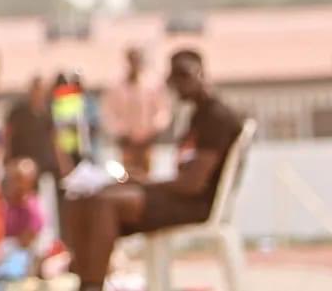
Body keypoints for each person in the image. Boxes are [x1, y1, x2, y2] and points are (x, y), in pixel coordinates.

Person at [63, 49, 244, 291]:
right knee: (87, 198)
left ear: (198, 75)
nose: (174, 87)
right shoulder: (198, 115)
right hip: (178, 196)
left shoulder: (216, 117)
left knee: (104, 203)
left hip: (196, 206)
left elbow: (192, 184)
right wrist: (140, 181)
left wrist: (145, 183)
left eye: (180, 78)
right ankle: (85, 278)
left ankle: (92, 285)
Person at [102, 46, 171, 177]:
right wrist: (123, 132)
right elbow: (109, 113)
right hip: (126, 142)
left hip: (147, 141)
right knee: (126, 176)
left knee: (146, 176)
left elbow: (162, 110)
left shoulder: (153, 83)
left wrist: (151, 131)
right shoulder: (116, 85)